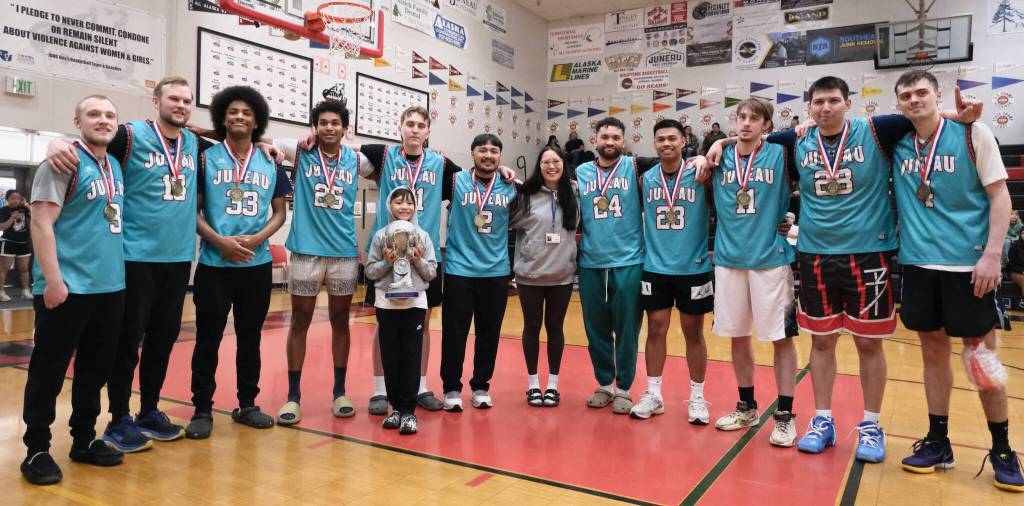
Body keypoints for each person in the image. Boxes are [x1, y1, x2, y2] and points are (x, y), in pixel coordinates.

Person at [704, 75, 982, 462]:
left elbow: (924, 115)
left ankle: (870, 424)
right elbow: (747, 140)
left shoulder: (878, 129)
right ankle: (822, 419)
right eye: (818, 102)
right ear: (809, 108)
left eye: (833, 100)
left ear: (848, 103)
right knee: (821, 341)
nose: (825, 108)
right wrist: (717, 142)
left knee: (868, 343)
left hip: (869, 254)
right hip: (815, 255)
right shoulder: (795, 140)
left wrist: (962, 116)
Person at [45, 77, 212, 453]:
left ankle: (149, 410)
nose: (181, 105)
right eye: (174, 98)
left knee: (163, 341)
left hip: (178, 257)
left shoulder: (194, 143)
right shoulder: (129, 135)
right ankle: (119, 417)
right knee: (127, 343)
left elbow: (234, 141)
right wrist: (56, 143)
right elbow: (88, 145)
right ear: (157, 101)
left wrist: (270, 147)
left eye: (187, 100)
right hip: (135, 258)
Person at [890, 70, 1023, 492]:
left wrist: (992, 256)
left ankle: (1002, 448)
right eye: (907, 95)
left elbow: (1000, 196)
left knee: (981, 360)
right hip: (918, 265)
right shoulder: (896, 142)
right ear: (898, 104)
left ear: (937, 94)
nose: (914, 100)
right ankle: (938, 440)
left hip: (970, 266)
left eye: (922, 93)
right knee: (932, 355)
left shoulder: (973, 133)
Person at [20, 95, 126, 485]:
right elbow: (41, 222)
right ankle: (36, 449)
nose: (103, 120)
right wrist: (52, 279)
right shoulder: (60, 161)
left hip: (110, 287)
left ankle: (84, 439)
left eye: (110, 115)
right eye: (94, 114)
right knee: (48, 371)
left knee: (94, 371)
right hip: (67, 287)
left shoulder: (113, 163)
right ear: (76, 120)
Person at [184, 86, 291, 439]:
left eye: (246, 113)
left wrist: (259, 239)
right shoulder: (205, 158)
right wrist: (220, 242)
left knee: (250, 339)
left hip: (255, 266)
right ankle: (201, 408)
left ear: (256, 120)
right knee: (207, 339)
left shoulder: (271, 159)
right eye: (232, 112)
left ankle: (247, 403)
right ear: (222, 118)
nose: (239, 117)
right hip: (215, 264)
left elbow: (280, 211)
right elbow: (193, 210)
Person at [693, 98, 799, 447]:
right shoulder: (718, 159)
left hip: (771, 259)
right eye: (741, 117)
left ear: (767, 124)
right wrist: (712, 147)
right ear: (733, 121)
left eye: (755, 118)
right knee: (738, 336)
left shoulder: (781, 153)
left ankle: (784, 415)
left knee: (781, 339)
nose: (747, 123)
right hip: (728, 260)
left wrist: (716, 143)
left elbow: (807, 137)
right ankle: (747, 406)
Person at [272, 100, 374, 426]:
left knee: (341, 321)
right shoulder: (300, 151)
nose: (329, 127)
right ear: (315, 126)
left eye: (335, 123)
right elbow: (264, 144)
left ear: (345, 127)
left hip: (343, 253)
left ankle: (340, 392)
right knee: (300, 320)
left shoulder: (356, 160)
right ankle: (293, 397)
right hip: (305, 251)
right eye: (323, 123)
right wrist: (303, 137)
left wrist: (355, 143)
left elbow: (390, 157)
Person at [629, 119, 713, 424]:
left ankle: (698, 397)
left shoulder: (701, 173)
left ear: (683, 142)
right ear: (654, 144)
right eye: (660, 139)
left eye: (672, 139)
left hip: (694, 266)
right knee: (655, 329)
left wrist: (708, 153)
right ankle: (653, 393)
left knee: (694, 332)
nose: (666, 143)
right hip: (655, 267)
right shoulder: (646, 178)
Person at [440, 134, 518, 410]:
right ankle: (451, 388)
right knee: (454, 332)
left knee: (489, 333)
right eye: (482, 150)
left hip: (496, 272)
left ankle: (481, 386)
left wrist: (509, 172)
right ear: (472, 154)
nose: (488, 155)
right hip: (459, 270)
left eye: (494, 151)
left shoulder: (511, 186)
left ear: (500, 156)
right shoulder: (455, 181)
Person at [576, 117, 647, 414]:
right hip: (591, 260)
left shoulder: (635, 167)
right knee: (596, 328)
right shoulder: (580, 171)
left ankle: (624, 388)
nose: (609, 142)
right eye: (604, 136)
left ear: (624, 141)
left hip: (628, 259)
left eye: (616, 137)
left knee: (627, 328)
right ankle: (604, 384)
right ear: (595, 140)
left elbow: (679, 160)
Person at [364, 187, 437, 434]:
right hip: (386, 304)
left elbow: (431, 273)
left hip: (415, 305)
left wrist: (416, 260)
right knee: (390, 357)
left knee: (410, 357)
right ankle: (395, 408)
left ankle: (409, 412)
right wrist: (387, 262)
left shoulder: (423, 237)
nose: (404, 207)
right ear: (389, 205)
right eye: (399, 202)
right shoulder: (380, 236)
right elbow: (370, 272)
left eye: (409, 203)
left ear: (415, 206)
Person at [510, 147, 578, 407]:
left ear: (564, 164)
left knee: (555, 328)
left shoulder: (574, 192)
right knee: (532, 327)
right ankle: (533, 385)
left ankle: (552, 385)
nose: (551, 166)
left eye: (556, 161)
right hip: (531, 275)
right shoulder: (525, 195)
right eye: (545, 162)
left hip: (561, 274)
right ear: (539, 166)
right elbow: (511, 221)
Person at [0, 189, 32, 300]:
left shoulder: (23, 208)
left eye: (18, 198)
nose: (15, 200)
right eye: (13, 198)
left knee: (24, 269)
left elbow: (36, 215)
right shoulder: (3, 210)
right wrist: (13, 217)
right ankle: (1, 292)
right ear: (7, 199)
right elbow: (2, 227)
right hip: (8, 242)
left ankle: (25, 290)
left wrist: (26, 204)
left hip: (23, 243)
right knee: (4, 269)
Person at [1006, 229, 1024, 310]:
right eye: (1023, 233)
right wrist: (1022, 271)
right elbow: (1011, 264)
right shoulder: (1015, 246)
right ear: (1020, 235)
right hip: (1015, 272)